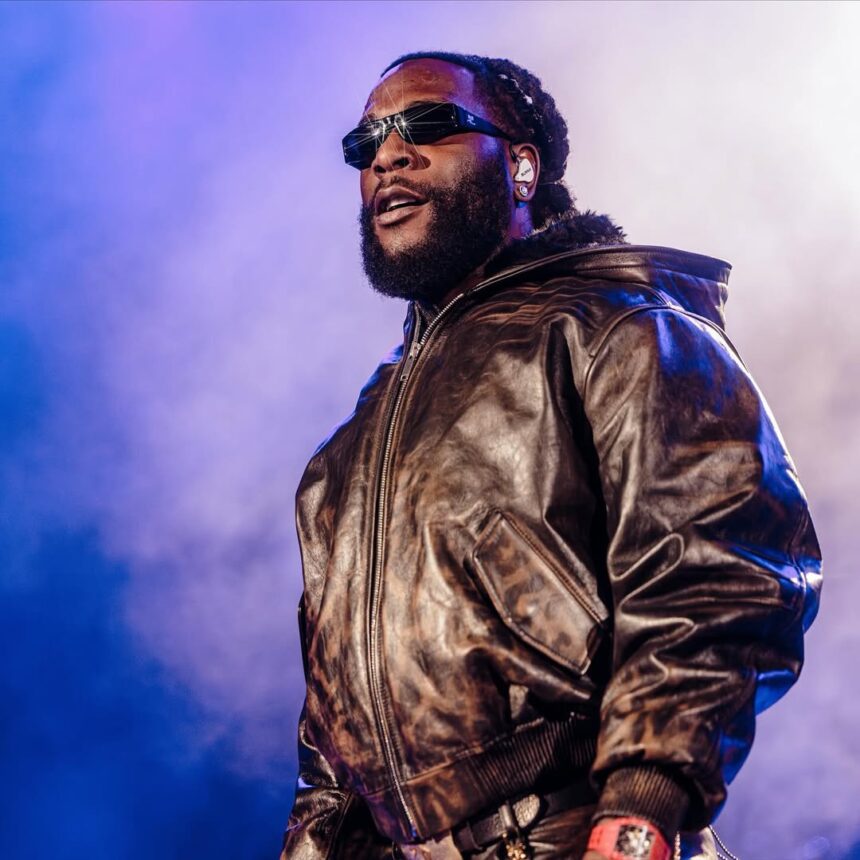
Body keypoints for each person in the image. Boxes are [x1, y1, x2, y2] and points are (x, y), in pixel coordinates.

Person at [280, 52, 822, 860]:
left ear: (523, 165)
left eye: (428, 126)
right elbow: (332, 741)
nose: (387, 155)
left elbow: (715, 580)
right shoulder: (347, 453)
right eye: (366, 145)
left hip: (573, 834)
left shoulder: (620, 330)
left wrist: (644, 803)